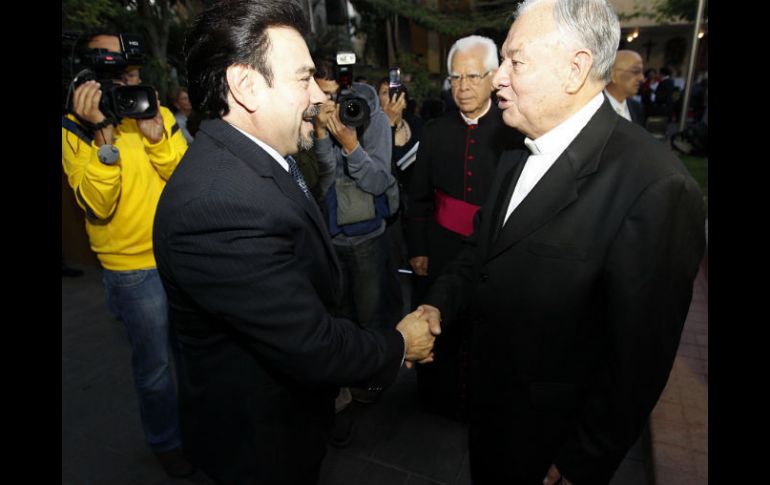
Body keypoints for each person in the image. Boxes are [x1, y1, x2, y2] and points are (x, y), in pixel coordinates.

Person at [416, 0, 707, 483]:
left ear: (575, 69)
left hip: (551, 444)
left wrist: (584, 462)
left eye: (515, 62)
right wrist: (437, 305)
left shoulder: (657, 187)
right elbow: (481, 253)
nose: (499, 78)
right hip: (491, 412)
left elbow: (638, 359)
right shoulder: (516, 147)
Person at [151, 1, 436, 483]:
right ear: (246, 86)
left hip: (290, 419)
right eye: (304, 78)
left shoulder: (258, 158)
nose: (319, 94)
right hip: (261, 444)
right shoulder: (218, 206)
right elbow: (311, 343)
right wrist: (400, 343)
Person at [61, 33, 192, 478]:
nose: (124, 83)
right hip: (131, 270)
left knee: (194, 354)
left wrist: (157, 140)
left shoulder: (156, 112)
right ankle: (166, 442)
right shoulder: (74, 129)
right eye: (112, 75)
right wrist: (103, 137)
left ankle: (201, 428)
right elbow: (98, 205)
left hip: (176, 257)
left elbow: (185, 181)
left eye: (129, 73)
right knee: (155, 368)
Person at [404, 34, 524, 420]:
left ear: (493, 77)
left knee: (485, 329)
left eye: (473, 76)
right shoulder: (435, 130)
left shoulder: (514, 130)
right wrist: (418, 248)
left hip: (493, 249)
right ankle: (438, 399)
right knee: (442, 325)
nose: (463, 87)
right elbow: (418, 196)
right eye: (455, 78)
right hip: (440, 246)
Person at [312, 66, 402, 364]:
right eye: (322, 95)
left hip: (367, 236)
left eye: (333, 94)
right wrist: (321, 133)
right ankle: (347, 370)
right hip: (329, 235)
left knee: (370, 314)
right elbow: (323, 181)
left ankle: (374, 374)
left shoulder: (371, 114)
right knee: (338, 313)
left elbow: (378, 182)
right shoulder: (309, 118)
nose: (329, 102)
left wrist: (351, 146)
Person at [605, 50, 645, 126]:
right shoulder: (591, 108)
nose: (642, 78)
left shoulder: (636, 107)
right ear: (613, 75)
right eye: (636, 71)